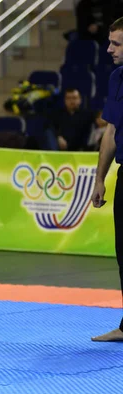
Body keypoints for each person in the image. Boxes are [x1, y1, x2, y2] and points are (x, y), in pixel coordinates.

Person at [90, 16, 123, 342]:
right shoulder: (116, 78)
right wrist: (100, 178)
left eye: (116, 43)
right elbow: (111, 130)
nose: (109, 48)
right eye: (110, 41)